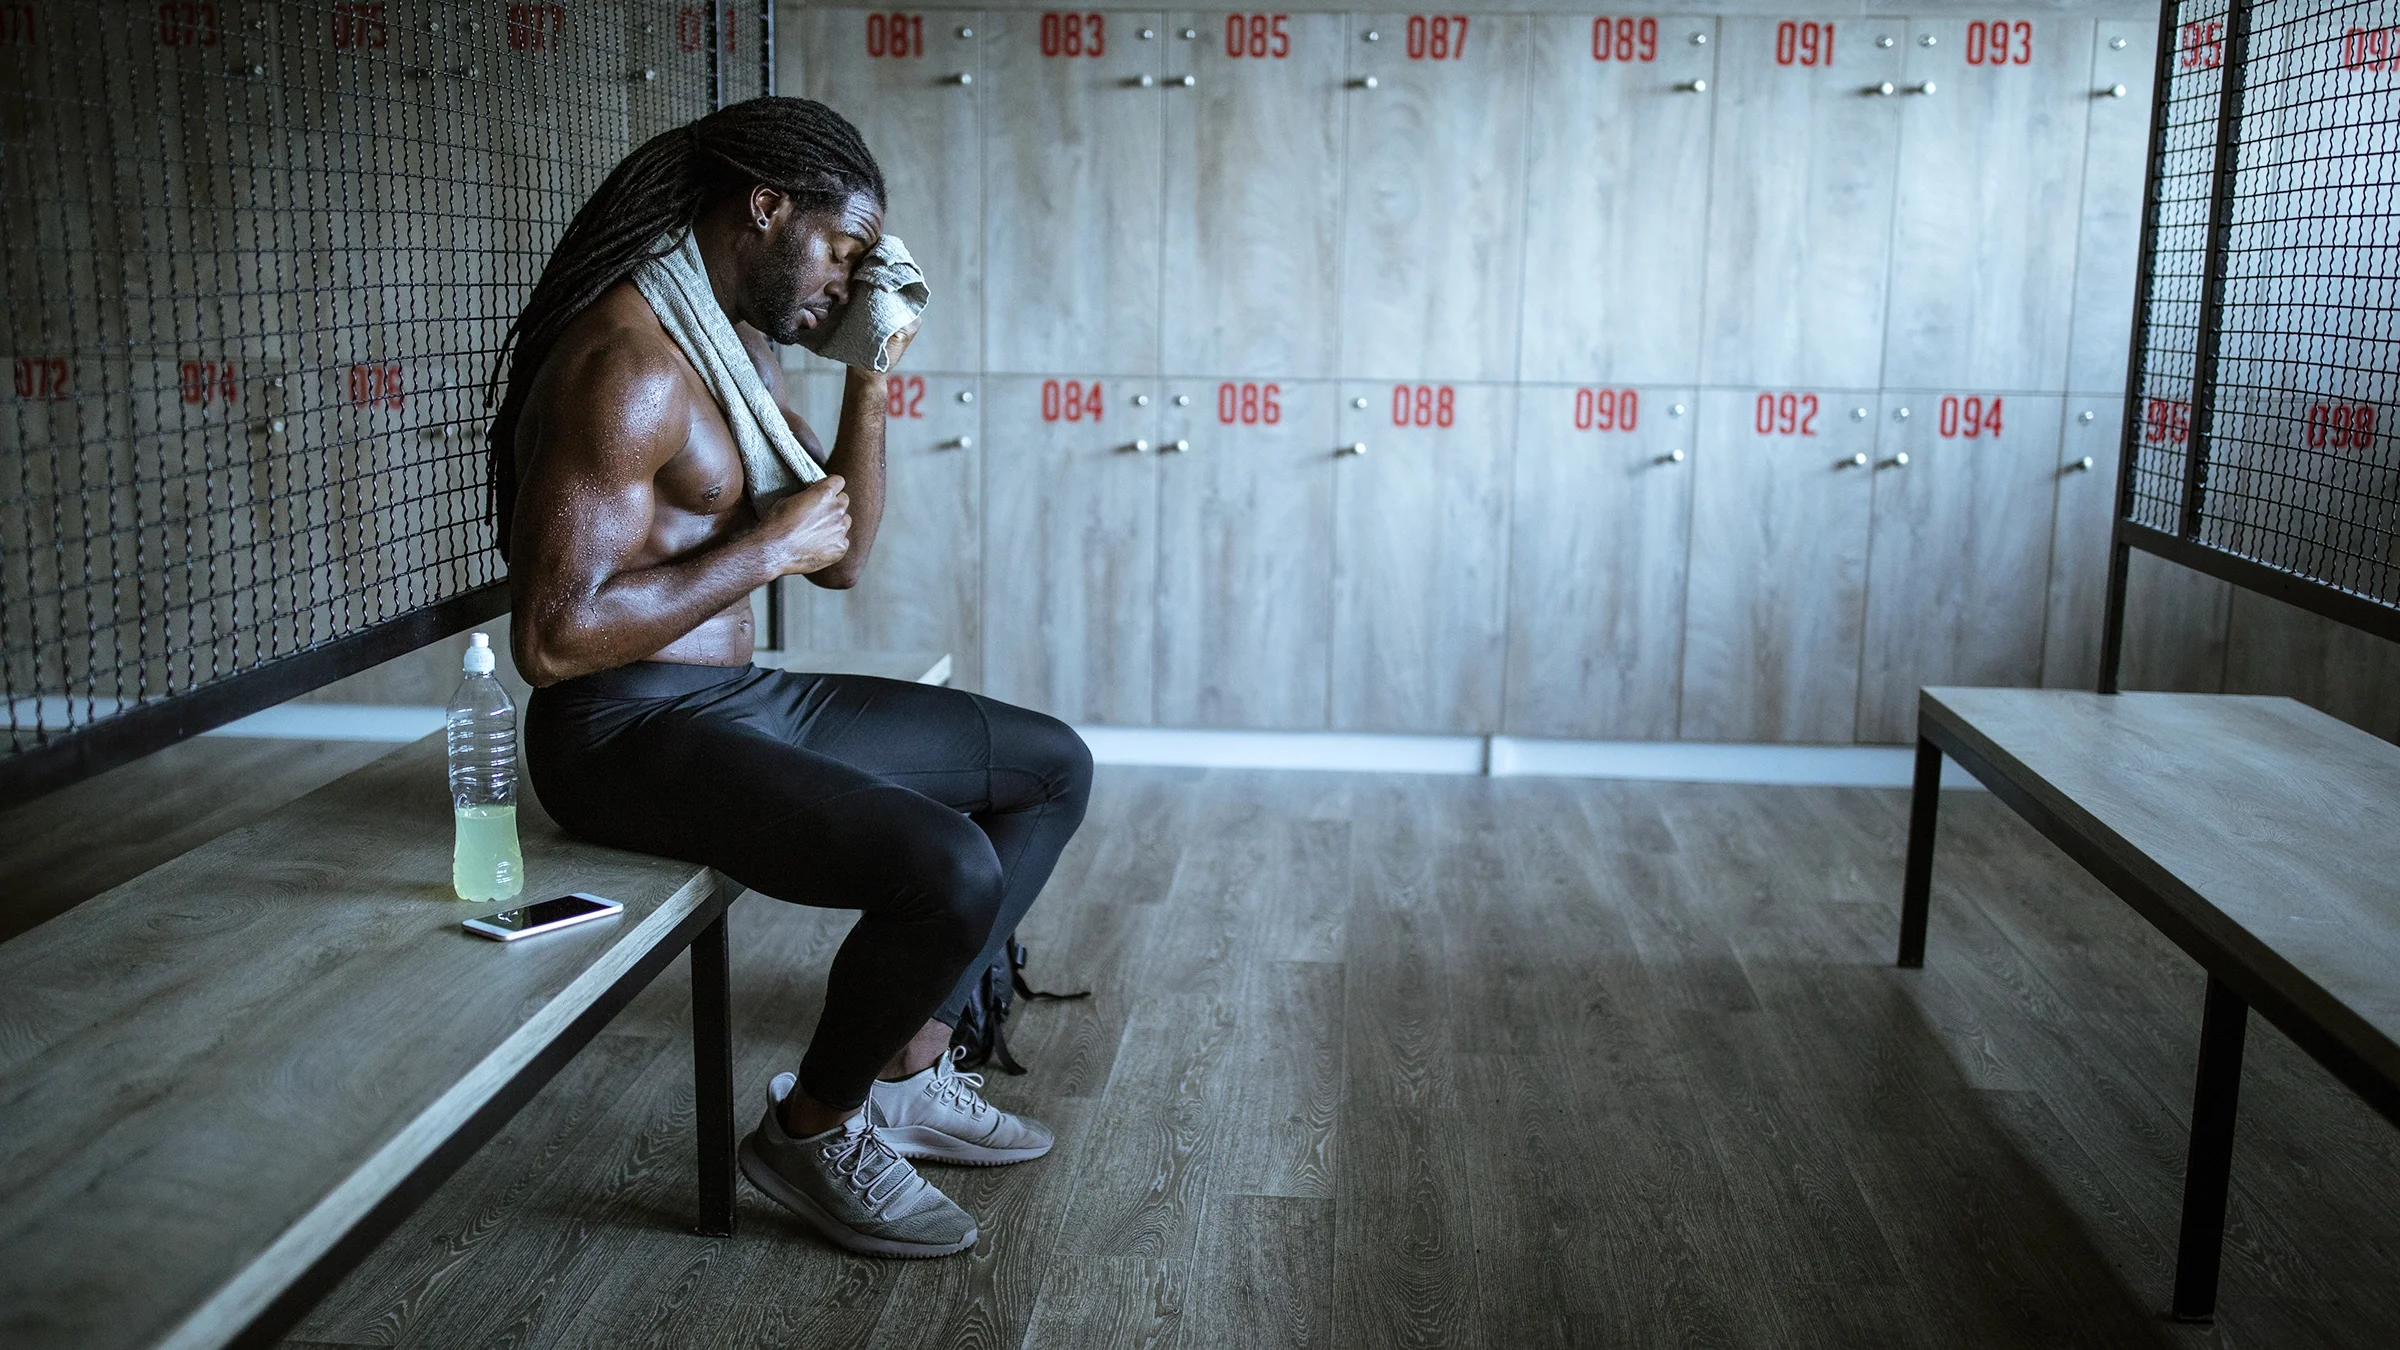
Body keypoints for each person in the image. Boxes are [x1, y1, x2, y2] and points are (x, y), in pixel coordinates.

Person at [485, 98, 1092, 1260]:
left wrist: (870, 372)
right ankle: (812, 1129)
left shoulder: (735, 345)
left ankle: (908, 1064)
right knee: (944, 865)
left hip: (734, 701)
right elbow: (552, 643)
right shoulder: (629, 365)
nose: (849, 283)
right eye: (843, 254)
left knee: (1049, 768)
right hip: (618, 736)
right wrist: (762, 548)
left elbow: (843, 557)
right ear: (766, 208)